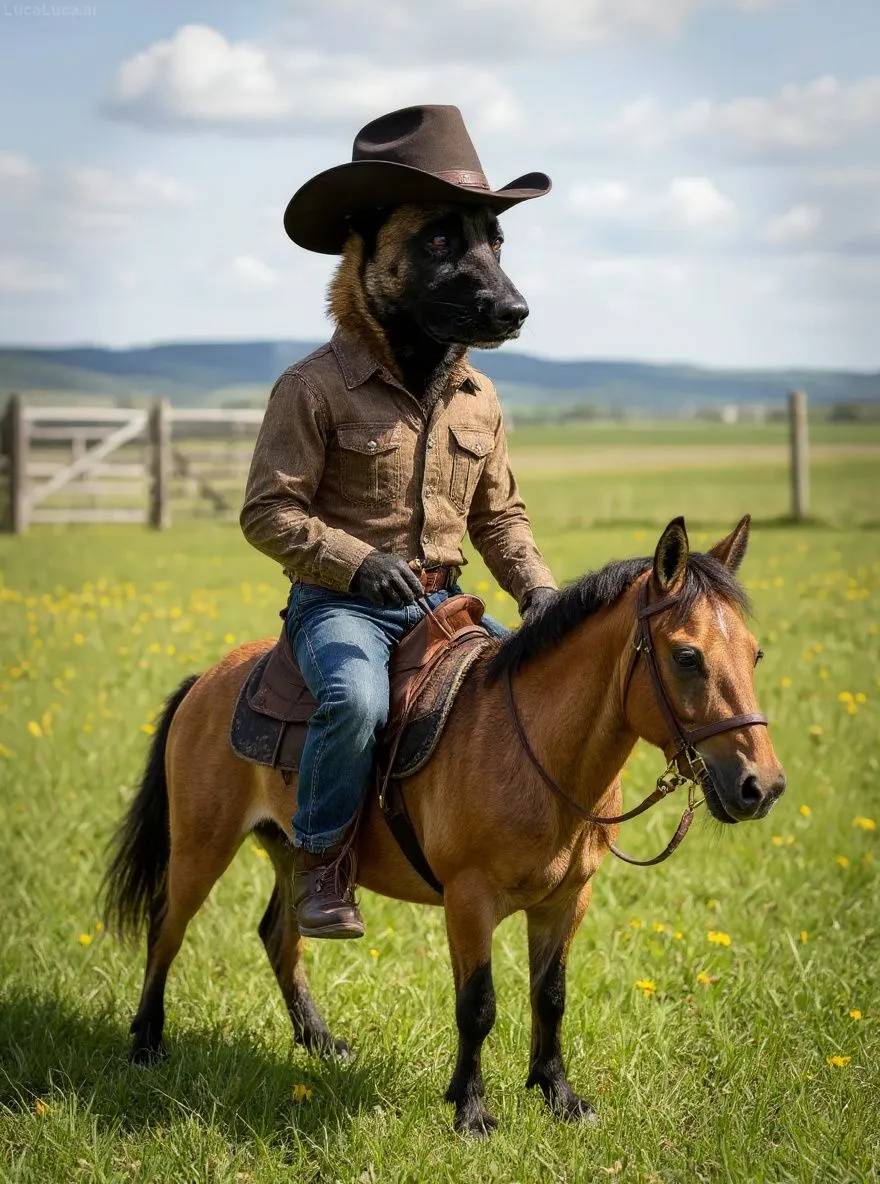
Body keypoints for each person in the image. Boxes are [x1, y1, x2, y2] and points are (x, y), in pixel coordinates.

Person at [241, 105, 556, 939]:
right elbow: (268, 512)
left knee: (536, 696)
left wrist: (540, 594)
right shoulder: (312, 387)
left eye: (488, 243)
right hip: (339, 608)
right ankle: (321, 864)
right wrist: (351, 563)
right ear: (371, 252)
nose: (490, 276)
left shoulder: (478, 398)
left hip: (442, 604)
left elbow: (501, 519)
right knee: (353, 696)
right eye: (443, 245)